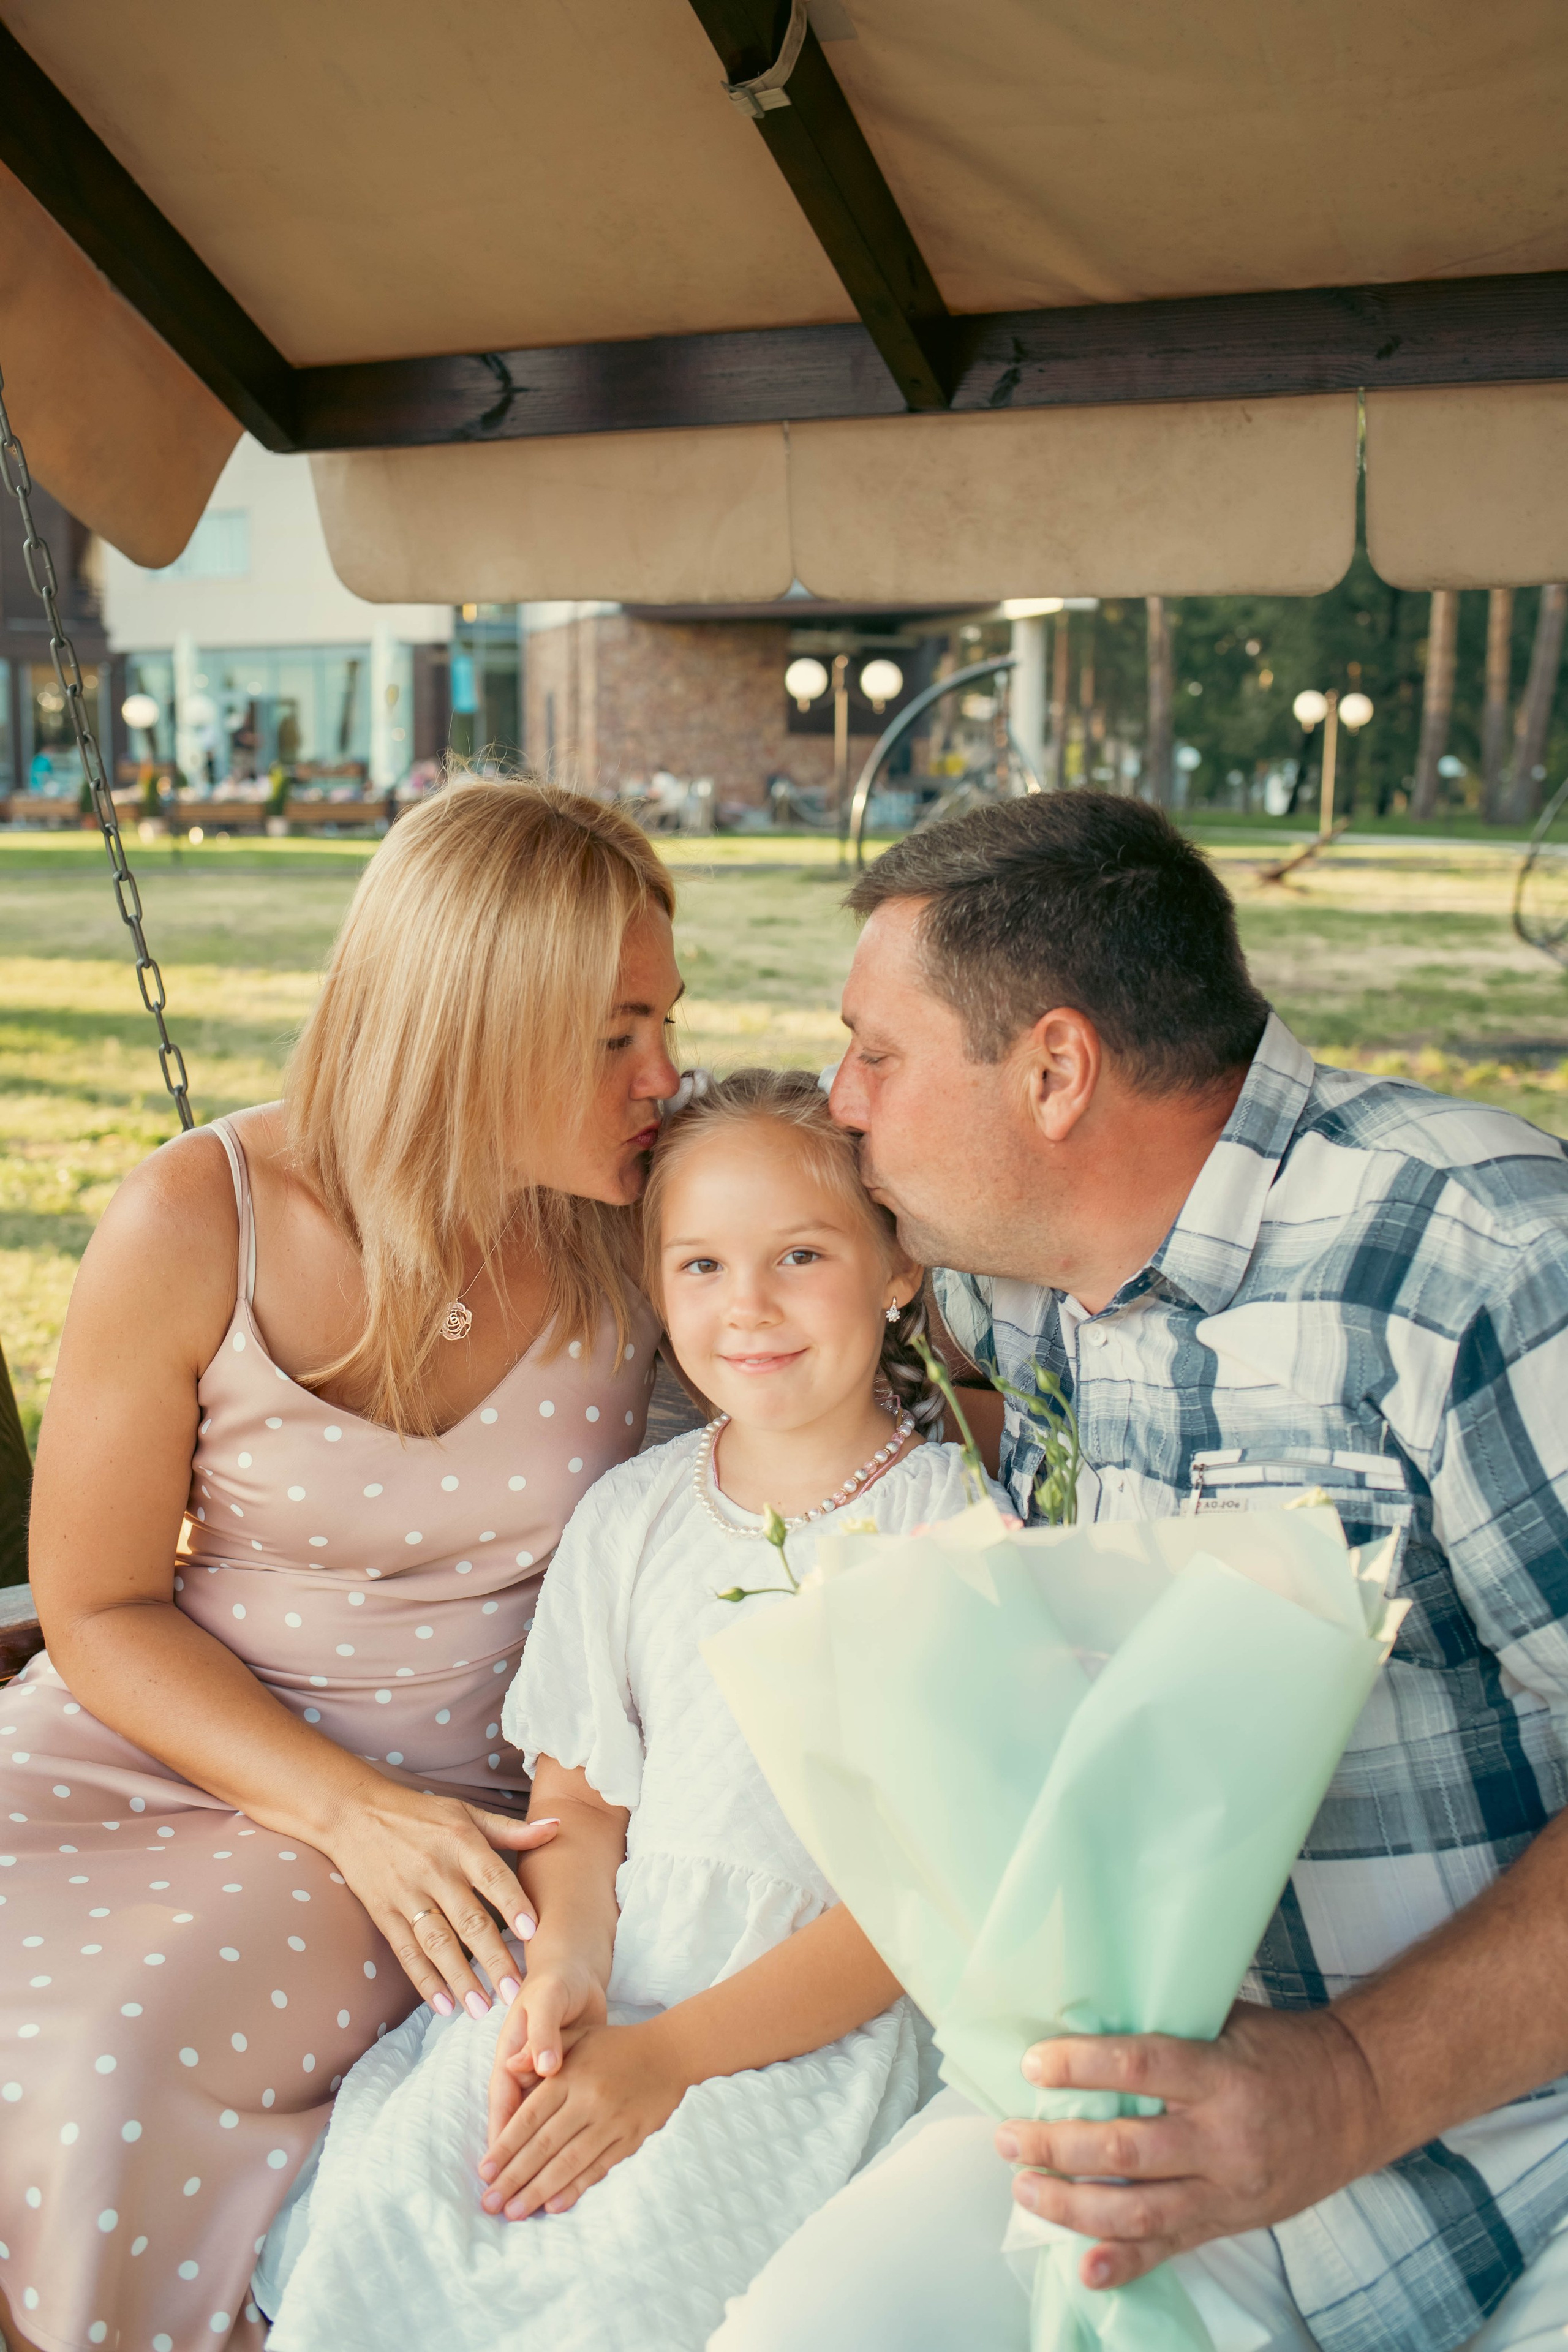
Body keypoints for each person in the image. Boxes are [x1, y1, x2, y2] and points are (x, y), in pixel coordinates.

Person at [715, 793, 1568, 2352]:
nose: (839, 1102)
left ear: (1054, 1069)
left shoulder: (1484, 1260)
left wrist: (1351, 2086)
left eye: (875, 1054)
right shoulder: (1010, 1287)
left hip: (1517, 2151)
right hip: (1125, 2131)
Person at [0, 777, 685, 2352]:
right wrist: (336, 1806)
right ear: (473, 1021)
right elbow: (95, 1603)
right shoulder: (197, 1218)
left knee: (111, 2056)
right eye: (612, 1035)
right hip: (157, 1742)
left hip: (453, 1809)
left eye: (666, 1017)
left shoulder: (632, 1219)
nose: (663, 1073)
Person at [258, 1069, 990, 2351]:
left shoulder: (950, 1528)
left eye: (800, 1255)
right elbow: (583, 1802)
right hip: (623, 1956)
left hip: (804, 2016)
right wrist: (567, 1968)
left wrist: (669, 2060)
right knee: (416, 2202)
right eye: (698, 1265)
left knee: (633, 2284)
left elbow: (913, 1908)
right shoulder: (633, 1513)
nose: (746, 1306)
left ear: (896, 1268)